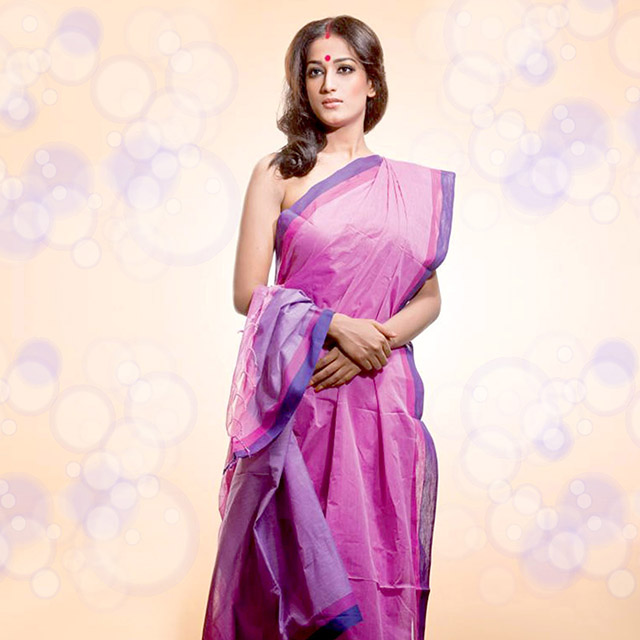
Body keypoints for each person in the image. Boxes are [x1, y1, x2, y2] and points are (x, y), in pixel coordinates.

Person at [202, 15, 456, 640]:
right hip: (302, 392)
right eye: (315, 71)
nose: (328, 84)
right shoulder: (278, 173)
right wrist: (336, 327)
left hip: (379, 397)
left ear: (372, 82)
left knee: (373, 561)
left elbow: (428, 296)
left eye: (344, 69)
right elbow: (248, 293)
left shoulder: (409, 188)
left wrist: (376, 342)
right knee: (288, 573)